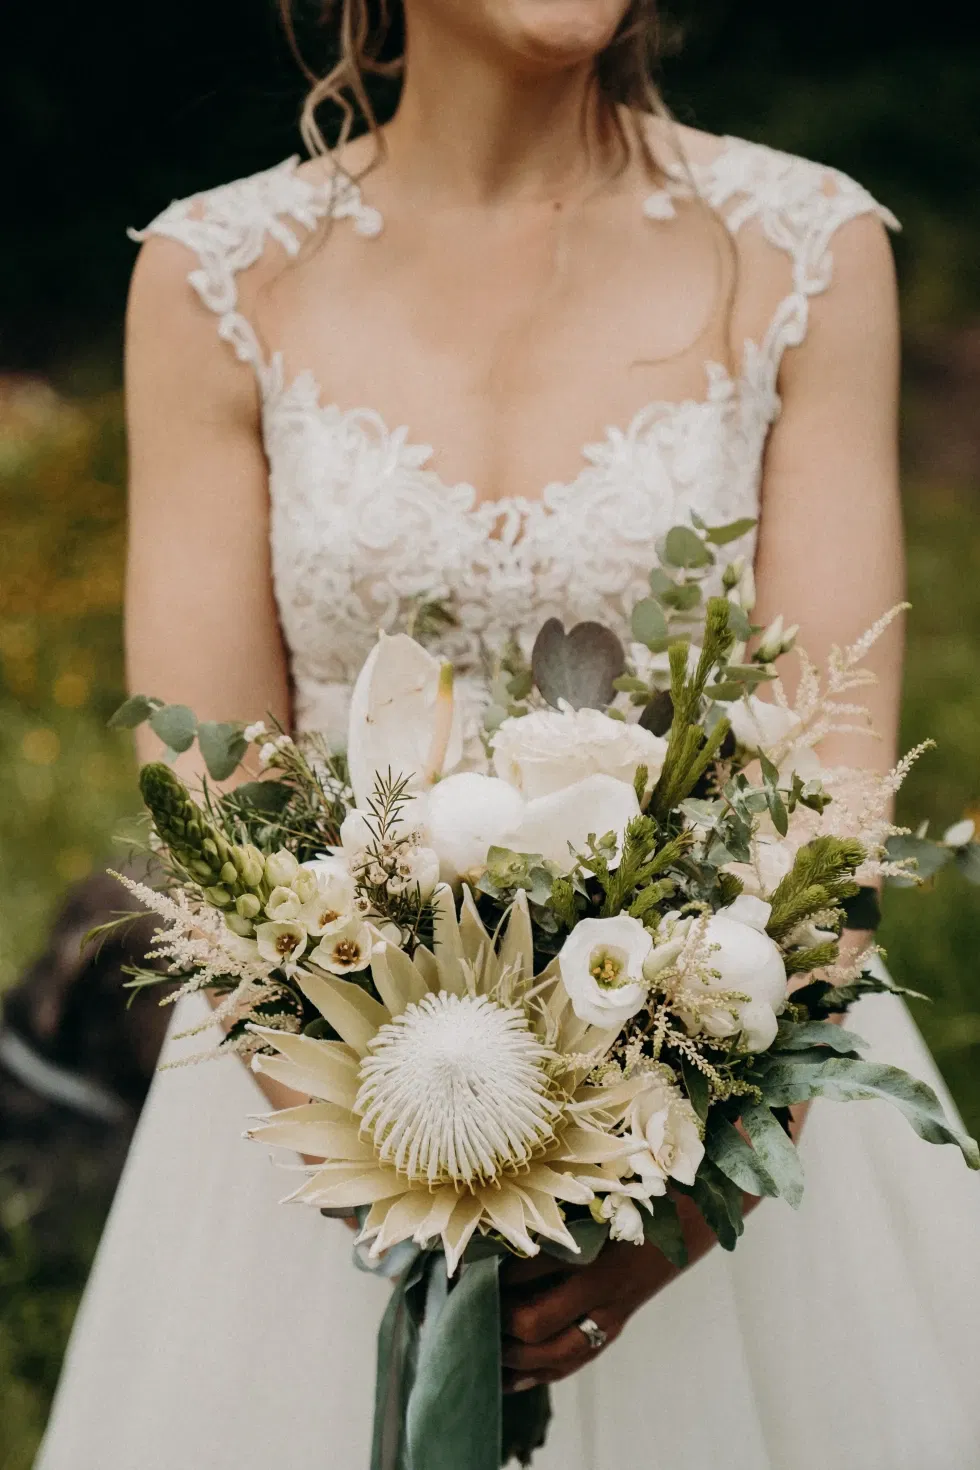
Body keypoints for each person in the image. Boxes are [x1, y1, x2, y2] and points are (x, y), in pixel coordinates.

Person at [36, 1, 980, 1466]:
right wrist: (404, 1170)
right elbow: (214, 792)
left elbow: (833, 779)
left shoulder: (807, 250)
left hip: (730, 1104)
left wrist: (691, 1199)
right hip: (318, 1122)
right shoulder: (215, 275)